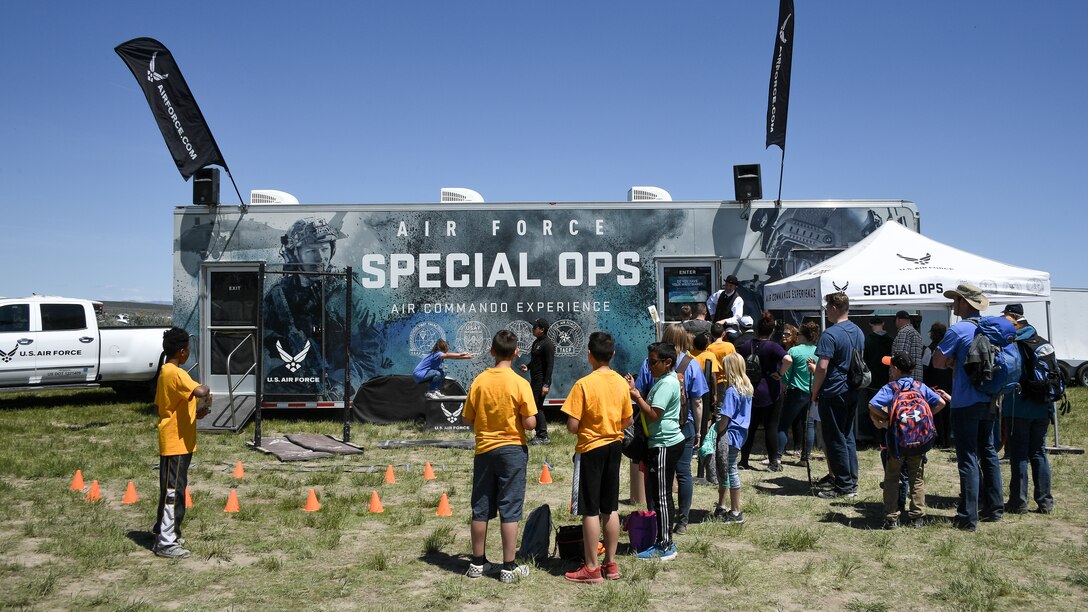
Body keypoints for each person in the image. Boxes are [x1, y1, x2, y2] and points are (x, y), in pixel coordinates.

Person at [263, 216, 385, 401]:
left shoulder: (348, 293)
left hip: (342, 382)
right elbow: (263, 340)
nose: (320, 257)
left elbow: (370, 351)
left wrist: (341, 384)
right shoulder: (279, 297)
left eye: (324, 249)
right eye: (311, 250)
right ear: (294, 254)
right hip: (298, 379)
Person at [462, 330, 538, 582]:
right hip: (512, 450)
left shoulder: (479, 381)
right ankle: (508, 566)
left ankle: (476, 563)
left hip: (484, 450)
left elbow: (467, 417)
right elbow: (529, 423)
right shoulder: (520, 383)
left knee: (480, 507)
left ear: (492, 351)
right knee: (510, 508)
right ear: (516, 353)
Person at [561, 332, 633, 583]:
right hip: (614, 445)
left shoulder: (583, 384)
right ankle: (610, 564)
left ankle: (591, 567)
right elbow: (628, 420)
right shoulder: (621, 383)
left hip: (591, 448)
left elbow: (572, 425)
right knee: (610, 507)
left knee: (590, 510)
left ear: (589, 355)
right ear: (612, 354)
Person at [932, 283, 1004, 531]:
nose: (954, 304)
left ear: (965, 304)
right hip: (990, 399)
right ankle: (994, 509)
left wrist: (953, 363)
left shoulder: (958, 330)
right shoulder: (992, 329)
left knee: (968, 458)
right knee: (989, 453)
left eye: (956, 300)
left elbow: (937, 362)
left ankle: (967, 517)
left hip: (964, 402)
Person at [635, 324, 708, 534]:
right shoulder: (691, 364)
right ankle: (682, 521)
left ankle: (654, 516)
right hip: (685, 426)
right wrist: (698, 429)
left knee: (654, 474)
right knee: (683, 473)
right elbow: (698, 401)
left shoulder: (651, 361)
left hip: (657, 428)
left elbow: (640, 390)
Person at [868, 352, 946, 529]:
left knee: (892, 478)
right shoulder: (920, 386)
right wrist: (924, 418)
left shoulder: (891, 388)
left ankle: (891, 517)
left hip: (897, 442)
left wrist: (888, 419)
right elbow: (941, 402)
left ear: (895, 369)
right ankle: (917, 516)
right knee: (916, 478)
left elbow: (872, 405)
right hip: (918, 442)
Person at [152, 327, 211, 559]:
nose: (188, 353)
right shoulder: (175, 373)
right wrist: (205, 391)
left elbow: (163, 406)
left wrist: (196, 413)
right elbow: (200, 389)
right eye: (187, 348)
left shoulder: (165, 372)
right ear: (182, 351)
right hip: (175, 442)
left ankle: (165, 531)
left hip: (179, 440)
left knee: (173, 488)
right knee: (172, 492)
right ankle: (165, 543)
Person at [626, 342, 684, 561]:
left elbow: (654, 414)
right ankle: (661, 539)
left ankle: (666, 544)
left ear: (667, 362)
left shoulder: (668, 384)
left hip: (665, 444)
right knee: (659, 494)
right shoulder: (663, 381)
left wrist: (636, 397)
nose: (649, 366)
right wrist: (636, 390)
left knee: (662, 496)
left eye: (652, 362)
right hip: (659, 443)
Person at [810, 292, 866, 499]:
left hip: (833, 390)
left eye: (827, 307)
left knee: (834, 438)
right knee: (847, 436)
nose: (826, 311)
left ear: (834, 308)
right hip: (852, 388)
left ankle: (844, 485)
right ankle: (851, 480)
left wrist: (815, 391)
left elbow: (822, 367)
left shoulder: (830, 334)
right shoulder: (858, 331)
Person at [1001, 304, 1055, 514]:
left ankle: (1018, 501)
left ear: (1013, 319)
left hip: (1019, 407)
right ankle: (1045, 501)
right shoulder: (1042, 342)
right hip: (1042, 407)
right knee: (1039, 453)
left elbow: (1009, 374)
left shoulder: (1014, 344)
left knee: (1020, 455)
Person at [738, 312, 787, 471]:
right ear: (772, 330)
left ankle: (743, 460)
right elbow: (788, 359)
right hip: (770, 390)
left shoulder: (746, 345)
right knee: (771, 427)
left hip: (750, 390)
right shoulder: (773, 346)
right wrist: (780, 374)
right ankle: (774, 462)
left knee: (749, 427)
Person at [714, 352, 753, 523]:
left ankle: (736, 511)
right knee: (726, 468)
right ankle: (722, 505)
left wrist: (716, 432)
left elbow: (725, 418)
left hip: (729, 435)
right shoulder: (747, 388)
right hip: (741, 433)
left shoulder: (731, 390)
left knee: (729, 470)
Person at [777, 321, 819, 467]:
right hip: (812, 392)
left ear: (803, 336)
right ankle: (805, 458)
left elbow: (787, 376)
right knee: (809, 425)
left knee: (783, 424)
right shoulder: (819, 351)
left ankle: (777, 457)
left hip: (795, 391)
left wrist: (783, 383)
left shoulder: (794, 351)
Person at [520, 318, 556, 445]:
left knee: (536, 406)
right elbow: (536, 361)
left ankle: (542, 436)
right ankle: (540, 435)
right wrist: (528, 367)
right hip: (534, 379)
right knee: (534, 405)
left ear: (542, 329)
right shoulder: (537, 342)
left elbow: (550, 365)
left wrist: (546, 384)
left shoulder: (548, 344)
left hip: (541, 380)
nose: (533, 328)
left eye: (535, 327)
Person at [923, 322, 953, 448]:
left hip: (933, 384)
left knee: (936, 412)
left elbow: (925, 367)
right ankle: (947, 439)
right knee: (947, 412)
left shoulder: (930, 349)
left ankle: (938, 440)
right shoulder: (950, 348)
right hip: (948, 383)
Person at [891, 311, 924, 380]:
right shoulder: (916, 333)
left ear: (898, 320)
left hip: (904, 379)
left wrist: (893, 377)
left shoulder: (904, 332)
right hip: (917, 377)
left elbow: (900, 357)